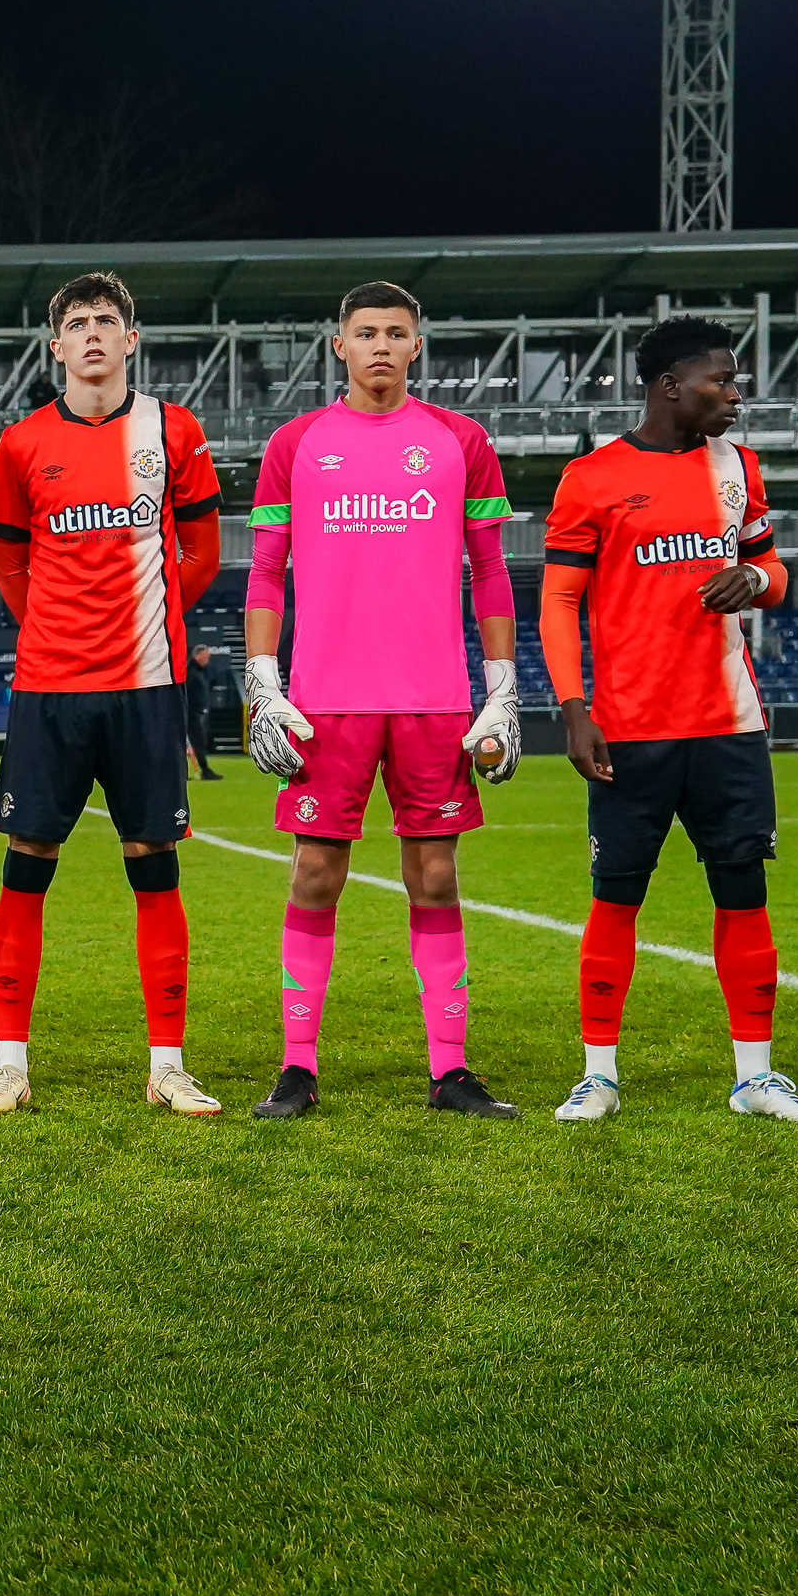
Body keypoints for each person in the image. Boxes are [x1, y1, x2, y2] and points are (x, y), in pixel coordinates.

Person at [242, 281, 522, 1119]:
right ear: (339, 345)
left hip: (435, 698)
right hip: (326, 699)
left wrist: (503, 689)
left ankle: (451, 1072)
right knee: (317, 874)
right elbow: (265, 571)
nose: (379, 347)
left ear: (416, 345)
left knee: (436, 876)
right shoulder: (296, 443)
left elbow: (493, 570)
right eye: (364, 333)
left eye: (395, 333)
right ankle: (297, 1068)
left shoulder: (460, 439)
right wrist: (262, 678)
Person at [542, 315, 798, 1124]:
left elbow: (770, 566)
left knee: (743, 889)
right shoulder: (592, 478)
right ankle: (599, 1075)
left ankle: (757, 1078)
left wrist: (756, 581)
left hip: (729, 724)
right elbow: (560, 599)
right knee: (616, 896)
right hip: (631, 727)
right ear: (670, 387)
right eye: (722, 380)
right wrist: (573, 708)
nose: (735, 395)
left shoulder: (739, 467)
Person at [0, 272, 224, 1115]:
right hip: (49, 686)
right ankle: (9, 1061)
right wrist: (55, 624)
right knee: (27, 865)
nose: (91, 334)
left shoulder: (174, 431)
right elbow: (12, 563)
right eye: (76, 323)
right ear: (56, 348)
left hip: (148, 687)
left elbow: (201, 554)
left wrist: (143, 616)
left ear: (130, 340)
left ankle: (167, 1064)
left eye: (106, 321)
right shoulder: (20, 444)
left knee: (153, 866)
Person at [183, 644, 223, 780]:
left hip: (194, 713)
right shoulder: (190, 672)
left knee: (197, 742)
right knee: (195, 742)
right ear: (197, 656)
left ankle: (202, 770)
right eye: (205, 657)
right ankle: (203, 770)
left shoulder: (198, 672)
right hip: (189, 714)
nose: (207, 660)